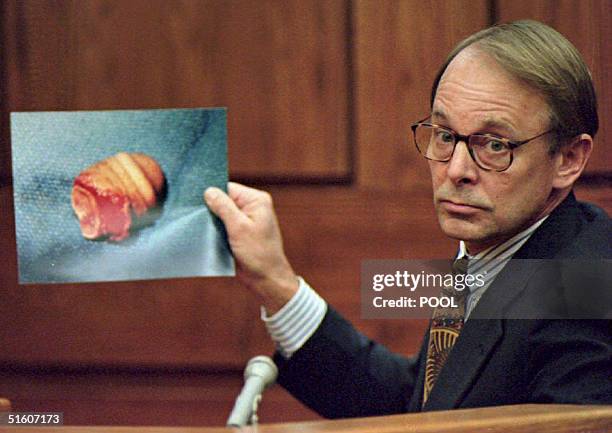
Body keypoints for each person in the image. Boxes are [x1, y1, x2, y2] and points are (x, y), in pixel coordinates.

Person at [204, 20, 611, 417]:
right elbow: (424, 410)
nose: (456, 170)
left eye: (494, 145)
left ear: (569, 159)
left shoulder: (585, 286)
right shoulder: (497, 253)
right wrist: (275, 284)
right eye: (446, 136)